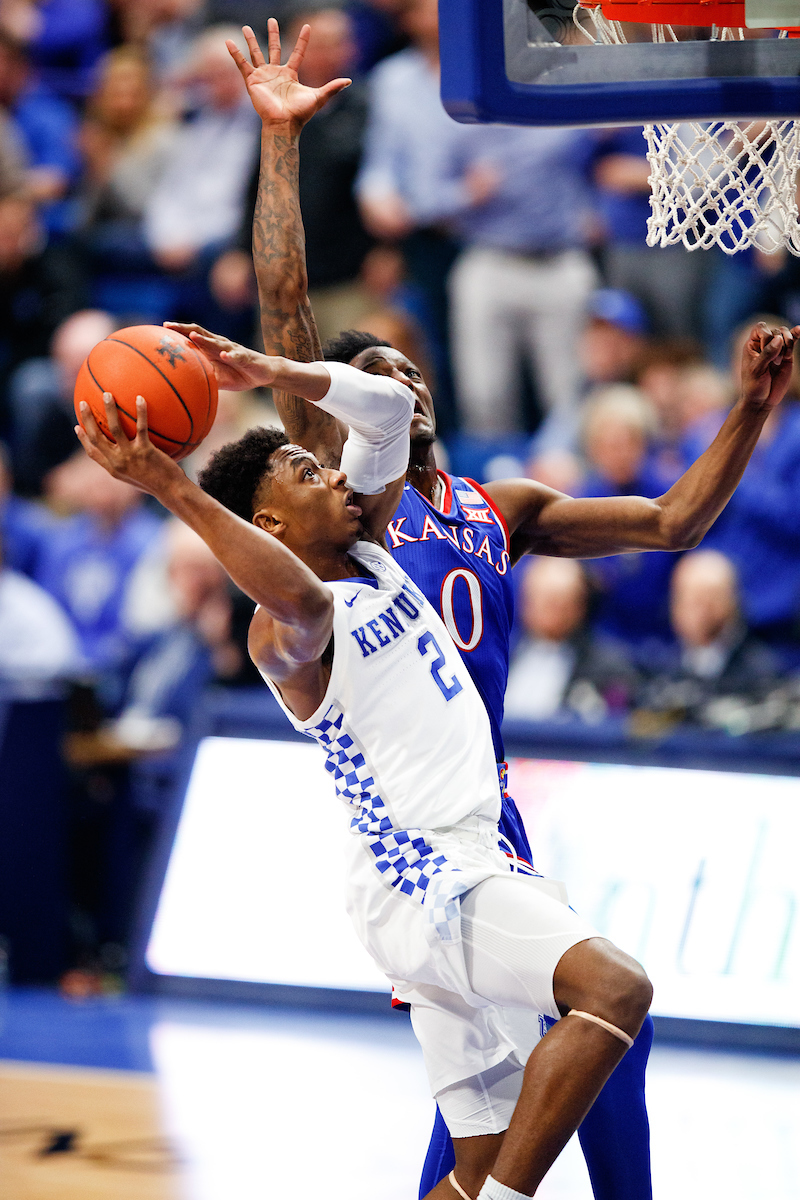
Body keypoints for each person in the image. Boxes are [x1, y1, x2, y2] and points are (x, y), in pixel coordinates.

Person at [179, 22, 800, 1200]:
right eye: (381, 374)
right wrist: (276, 144)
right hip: (418, 824)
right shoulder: (348, 516)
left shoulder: (495, 505)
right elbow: (285, 304)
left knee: (536, 1072)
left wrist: (748, 410)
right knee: (580, 1032)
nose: (402, 381)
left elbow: (670, 524)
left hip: (485, 806)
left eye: (412, 370)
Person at [76, 355, 654, 1200]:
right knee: (616, 989)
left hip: (464, 865)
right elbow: (303, 607)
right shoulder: (280, 634)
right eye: (309, 471)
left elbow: (386, 408)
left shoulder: (375, 551)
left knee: (475, 1161)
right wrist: (171, 485)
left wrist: (258, 366)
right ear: (270, 521)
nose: (336, 470)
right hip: (424, 878)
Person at [504, 557, 639, 723]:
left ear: (580, 605)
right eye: (537, 599)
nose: (547, 612)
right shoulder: (499, 654)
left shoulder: (608, 668)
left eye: (556, 602)